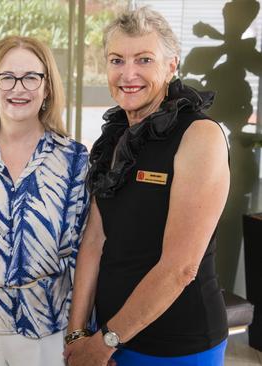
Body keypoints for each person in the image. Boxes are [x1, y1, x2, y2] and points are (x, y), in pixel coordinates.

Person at [64, 7, 229, 366]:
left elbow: (181, 267)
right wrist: (78, 334)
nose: (129, 74)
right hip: (108, 337)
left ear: (172, 66)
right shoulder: (113, 139)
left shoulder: (200, 136)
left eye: (144, 59)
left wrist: (104, 342)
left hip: (177, 345)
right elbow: (94, 241)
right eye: (116, 60)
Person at [0, 35, 90, 366]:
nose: (18, 88)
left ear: (47, 88)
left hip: (49, 330)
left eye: (31, 77)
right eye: (6, 77)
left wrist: (80, 332)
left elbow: (85, 255)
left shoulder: (74, 159)